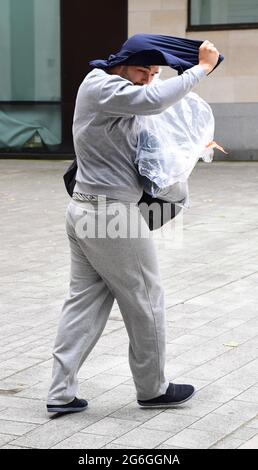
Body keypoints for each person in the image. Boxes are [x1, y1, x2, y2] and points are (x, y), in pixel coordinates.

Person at [46, 36, 220, 413]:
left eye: (154, 73)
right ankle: (153, 388)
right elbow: (154, 101)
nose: (147, 79)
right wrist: (201, 68)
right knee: (146, 300)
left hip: (86, 211)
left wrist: (193, 146)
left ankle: (60, 393)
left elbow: (150, 143)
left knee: (84, 303)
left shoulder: (110, 92)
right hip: (111, 217)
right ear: (121, 63)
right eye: (143, 70)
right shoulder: (105, 86)